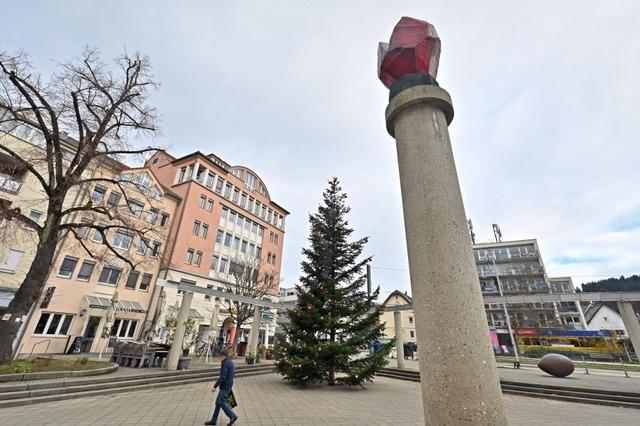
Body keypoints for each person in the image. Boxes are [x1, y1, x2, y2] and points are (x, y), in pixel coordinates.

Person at [205, 349, 238, 426]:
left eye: (219, 356)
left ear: (223, 356)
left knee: (221, 402)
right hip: (228, 384)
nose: (218, 358)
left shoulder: (226, 363)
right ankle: (214, 420)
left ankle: (232, 416)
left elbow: (222, 377)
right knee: (218, 403)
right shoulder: (229, 361)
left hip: (226, 385)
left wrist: (215, 386)